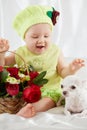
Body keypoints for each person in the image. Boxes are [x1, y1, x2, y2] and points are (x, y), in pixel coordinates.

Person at [0, 5, 85, 118]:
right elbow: (3, 65)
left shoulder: (55, 51)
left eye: (46, 36)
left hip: (50, 89)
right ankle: (18, 107)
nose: (41, 40)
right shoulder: (20, 52)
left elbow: (63, 72)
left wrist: (71, 69)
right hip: (27, 90)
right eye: (35, 37)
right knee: (11, 96)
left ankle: (28, 110)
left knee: (48, 102)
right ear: (24, 38)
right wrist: (2, 53)